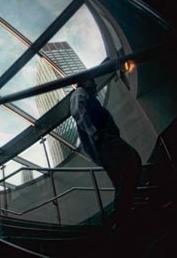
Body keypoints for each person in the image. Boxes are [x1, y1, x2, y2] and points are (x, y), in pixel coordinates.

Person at [70, 77, 142, 242]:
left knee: (121, 178)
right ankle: (121, 217)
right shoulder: (79, 92)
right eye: (91, 81)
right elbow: (78, 113)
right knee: (132, 161)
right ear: (83, 83)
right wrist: (95, 133)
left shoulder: (90, 97)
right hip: (103, 141)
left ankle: (120, 221)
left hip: (103, 142)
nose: (94, 83)